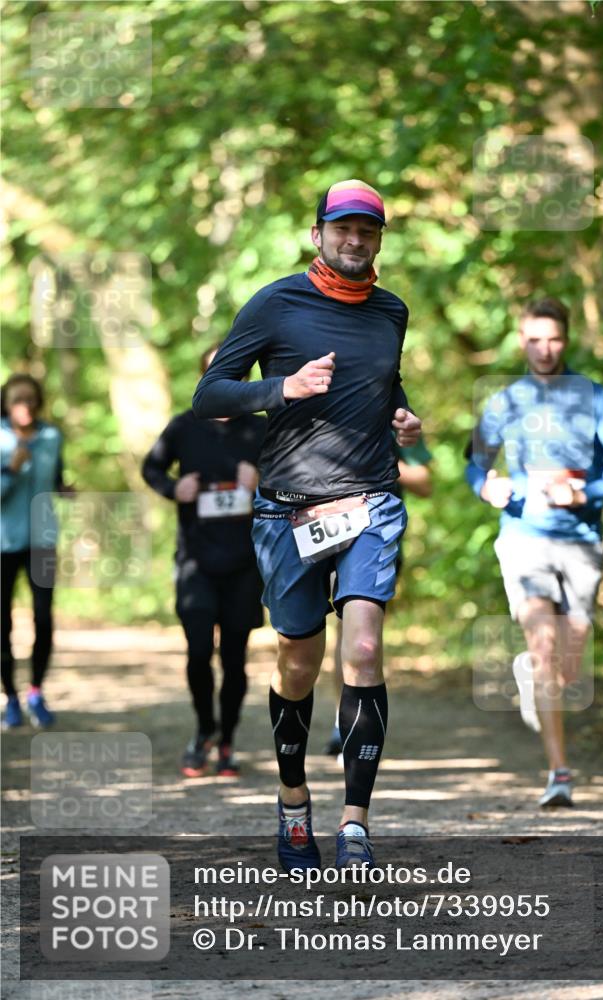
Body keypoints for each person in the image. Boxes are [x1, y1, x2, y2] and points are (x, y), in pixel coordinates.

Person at [193, 179, 421, 869]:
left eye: (368, 231)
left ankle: (355, 823)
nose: (355, 240)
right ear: (317, 232)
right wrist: (280, 389)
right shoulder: (275, 303)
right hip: (288, 509)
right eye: (343, 228)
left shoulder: (391, 311)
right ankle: (294, 805)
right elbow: (208, 395)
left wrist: (402, 418)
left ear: (378, 239)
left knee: (361, 651)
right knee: (297, 661)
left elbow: (385, 384)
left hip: (369, 500)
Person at [466, 298, 603, 807]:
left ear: (567, 340)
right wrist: (486, 487)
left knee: (566, 665)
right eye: (535, 339)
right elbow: (474, 464)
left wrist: (585, 493)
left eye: (554, 339)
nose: (544, 349)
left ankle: (533, 675)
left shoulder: (594, 398)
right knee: (544, 644)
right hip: (524, 538)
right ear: (521, 339)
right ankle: (559, 774)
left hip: (581, 541)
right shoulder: (505, 400)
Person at [142, 346, 266, 778]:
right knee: (198, 654)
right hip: (195, 559)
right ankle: (204, 730)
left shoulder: (261, 430)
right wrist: (174, 488)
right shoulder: (183, 427)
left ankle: (227, 740)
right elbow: (152, 469)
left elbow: (294, 483)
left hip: (243, 561)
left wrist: (261, 483)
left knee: (235, 659)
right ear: (205, 378)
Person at [324, 435, 433, 757]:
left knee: (363, 634)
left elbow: (425, 483)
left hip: (378, 537)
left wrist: (376, 460)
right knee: (344, 632)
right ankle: (341, 721)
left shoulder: (395, 418)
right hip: (326, 531)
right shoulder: (316, 404)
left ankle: (358, 724)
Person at [1, 373, 71, 728]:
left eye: (30, 399)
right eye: (17, 399)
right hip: (2, 543)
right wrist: (10, 472)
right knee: (2, 623)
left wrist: (64, 489)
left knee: (43, 618)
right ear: (6, 403)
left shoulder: (51, 436)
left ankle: (35, 692)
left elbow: (55, 478)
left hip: (42, 539)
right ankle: (9, 698)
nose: (24, 406)